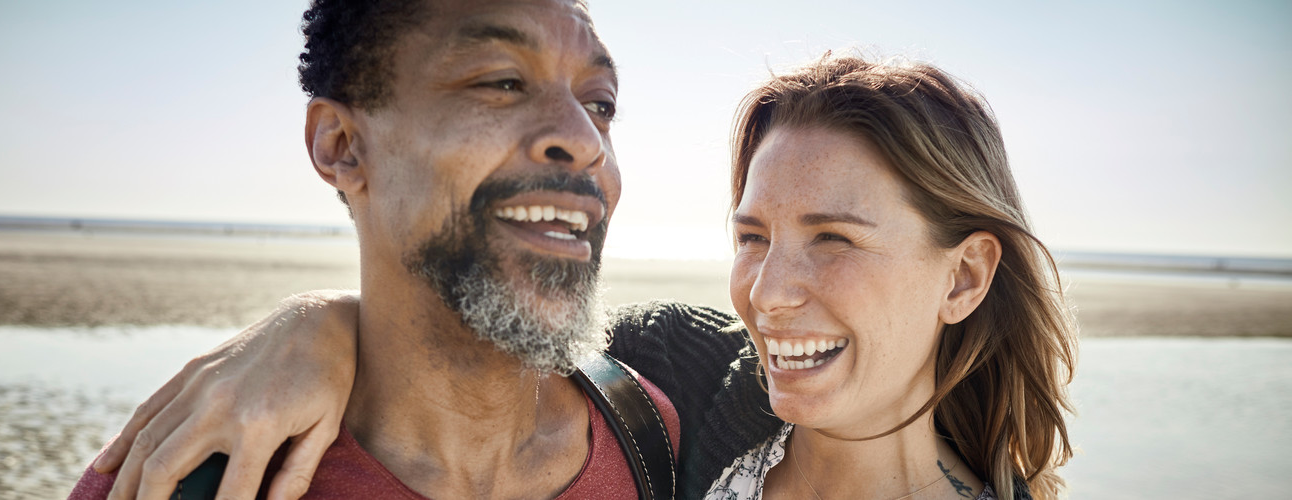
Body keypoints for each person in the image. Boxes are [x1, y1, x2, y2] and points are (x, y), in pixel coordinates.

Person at [93, 53, 1077, 500]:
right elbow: (474, 342)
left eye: (832, 237)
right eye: (751, 233)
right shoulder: (687, 386)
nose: (769, 291)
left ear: (963, 276)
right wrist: (322, 325)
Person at [68, 0, 701, 498]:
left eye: (601, 104)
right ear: (341, 145)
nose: (583, 138)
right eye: (503, 82)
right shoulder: (183, 475)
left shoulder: (653, 435)